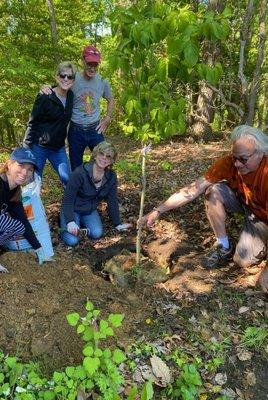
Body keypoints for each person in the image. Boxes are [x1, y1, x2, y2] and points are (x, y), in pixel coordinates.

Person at [139, 125, 268, 293]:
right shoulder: (230, 163)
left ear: (261, 153)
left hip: (263, 218)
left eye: (243, 159)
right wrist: (158, 210)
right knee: (213, 191)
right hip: (250, 207)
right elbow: (193, 189)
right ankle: (223, 245)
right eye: (234, 156)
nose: (236, 163)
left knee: (243, 261)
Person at [0, 148, 51, 279]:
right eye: (21, 165)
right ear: (9, 164)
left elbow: (23, 221)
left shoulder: (13, 191)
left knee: (18, 226)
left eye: (30, 169)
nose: (25, 172)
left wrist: (38, 248)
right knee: (2, 221)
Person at [42, 45, 115, 170]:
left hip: (95, 129)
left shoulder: (103, 81)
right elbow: (59, 87)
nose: (92, 68)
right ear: (83, 61)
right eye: (89, 64)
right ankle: (80, 189)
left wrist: (107, 118)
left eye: (95, 65)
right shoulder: (73, 78)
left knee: (104, 163)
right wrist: (45, 88)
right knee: (76, 168)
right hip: (75, 130)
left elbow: (111, 99)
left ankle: (100, 187)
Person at [60, 141, 130, 246]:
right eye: (101, 154)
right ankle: (65, 221)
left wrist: (117, 223)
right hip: (73, 209)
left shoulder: (111, 176)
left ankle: (80, 223)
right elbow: (68, 199)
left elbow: (112, 200)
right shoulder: (80, 173)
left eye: (108, 156)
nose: (104, 158)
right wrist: (70, 221)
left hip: (89, 210)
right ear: (95, 154)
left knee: (97, 233)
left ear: (111, 161)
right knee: (72, 240)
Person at [23, 61, 76, 186]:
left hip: (58, 148)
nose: (66, 79)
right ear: (57, 77)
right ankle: (30, 206)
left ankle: (72, 205)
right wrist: (26, 148)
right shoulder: (45, 96)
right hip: (39, 147)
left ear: (73, 80)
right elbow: (32, 122)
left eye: (70, 76)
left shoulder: (71, 96)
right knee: (34, 182)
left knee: (68, 179)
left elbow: (65, 122)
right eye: (63, 75)